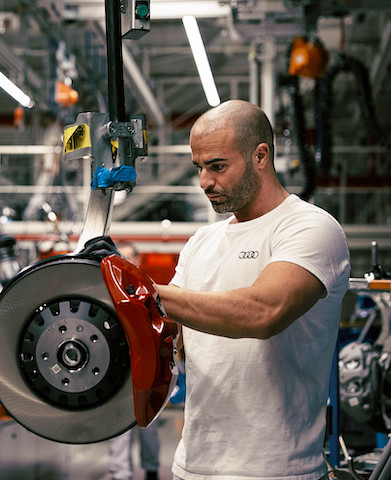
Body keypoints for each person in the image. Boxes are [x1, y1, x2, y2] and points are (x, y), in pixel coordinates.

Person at [155, 100, 351, 480]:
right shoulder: (200, 242)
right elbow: (168, 329)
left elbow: (263, 312)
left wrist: (141, 290)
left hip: (275, 469)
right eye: (199, 167)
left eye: (217, 166)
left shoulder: (309, 227)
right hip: (192, 466)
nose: (204, 182)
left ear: (260, 155)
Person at [108, 242, 161, 480]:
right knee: (119, 426)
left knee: (148, 425)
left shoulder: (150, 289)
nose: (126, 263)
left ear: (138, 260)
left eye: (129, 258)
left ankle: (151, 469)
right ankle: (121, 474)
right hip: (119, 369)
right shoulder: (108, 289)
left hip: (148, 368)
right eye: (121, 258)